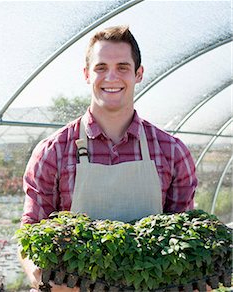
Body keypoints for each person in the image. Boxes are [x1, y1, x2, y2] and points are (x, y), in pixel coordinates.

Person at [19, 25, 198, 291]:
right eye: (101, 67)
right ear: (86, 75)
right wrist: (44, 279)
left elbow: (183, 235)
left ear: (138, 74)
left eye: (123, 67)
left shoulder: (172, 152)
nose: (111, 77)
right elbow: (31, 235)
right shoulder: (53, 151)